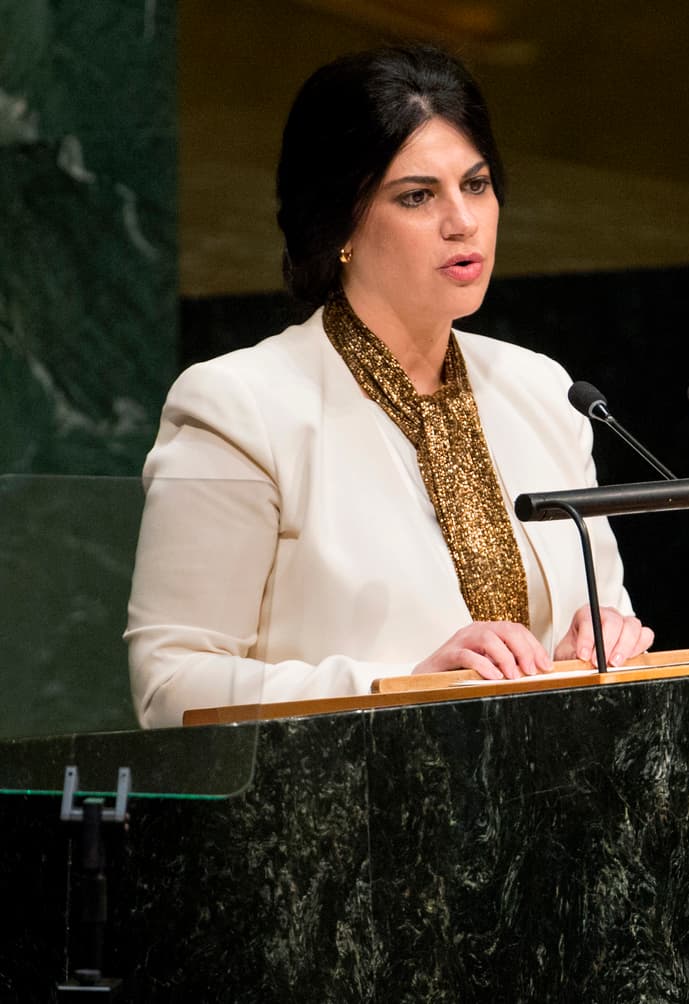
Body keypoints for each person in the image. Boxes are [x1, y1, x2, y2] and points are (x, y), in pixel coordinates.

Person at [125, 44, 652, 729]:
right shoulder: (239, 408)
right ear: (341, 221)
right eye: (417, 196)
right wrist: (394, 688)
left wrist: (608, 637)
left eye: (477, 184)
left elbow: (605, 612)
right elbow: (170, 685)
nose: (462, 221)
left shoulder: (544, 393)